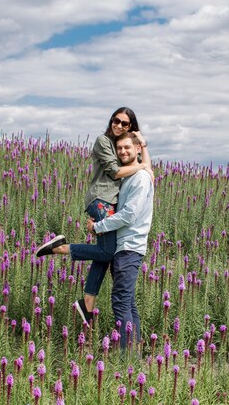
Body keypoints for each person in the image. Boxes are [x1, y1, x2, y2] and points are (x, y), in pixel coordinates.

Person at [35, 108, 152, 327]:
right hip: (101, 200)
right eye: (116, 121)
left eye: (125, 124)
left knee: (105, 255)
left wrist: (143, 148)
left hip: (110, 203)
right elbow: (116, 172)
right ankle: (61, 248)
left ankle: (87, 302)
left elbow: (142, 166)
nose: (118, 125)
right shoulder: (103, 141)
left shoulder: (125, 150)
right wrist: (143, 164)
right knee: (108, 251)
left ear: (131, 128)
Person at [86, 132, 154, 350]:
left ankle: (127, 358)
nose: (123, 151)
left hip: (129, 248)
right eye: (119, 148)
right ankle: (133, 352)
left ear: (136, 149)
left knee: (121, 302)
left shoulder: (141, 178)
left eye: (127, 147)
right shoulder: (130, 176)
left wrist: (98, 227)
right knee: (128, 303)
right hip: (123, 247)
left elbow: (128, 215)